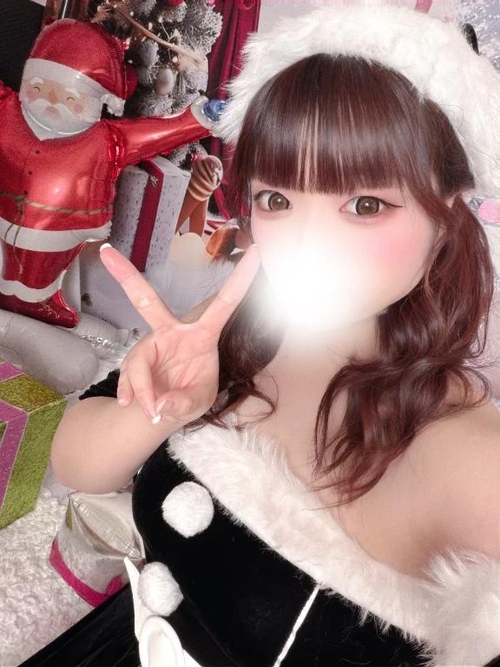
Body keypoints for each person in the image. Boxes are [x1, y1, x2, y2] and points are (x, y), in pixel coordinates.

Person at [33, 4, 500, 666]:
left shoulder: (473, 458)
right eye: (277, 200)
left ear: (446, 218)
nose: (307, 242)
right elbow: (77, 463)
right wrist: (156, 410)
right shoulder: (236, 324)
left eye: (365, 205)